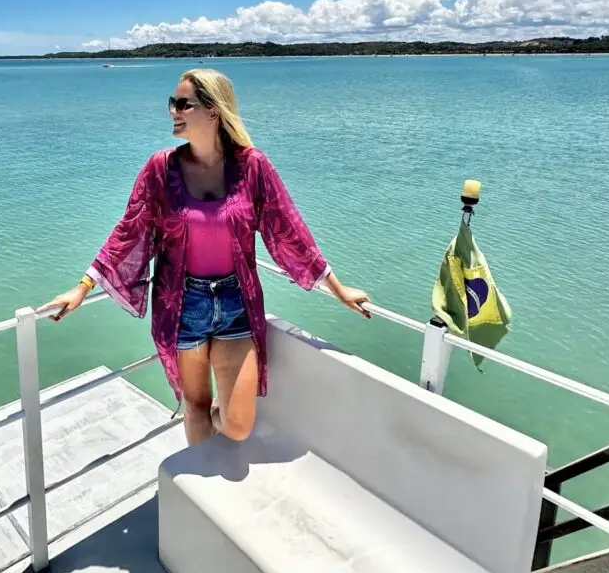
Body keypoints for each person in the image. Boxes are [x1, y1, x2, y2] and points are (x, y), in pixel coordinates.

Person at [38, 68, 370, 445]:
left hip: (236, 304)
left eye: (183, 104)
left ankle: (218, 437)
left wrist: (337, 288)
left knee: (238, 424)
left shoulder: (252, 166)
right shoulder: (160, 169)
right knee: (196, 404)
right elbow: (128, 230)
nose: (173, 112)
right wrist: (82, 287)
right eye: (172, 103)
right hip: (182, 304)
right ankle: (199, 485)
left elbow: (289, 228)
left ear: (213, 111)